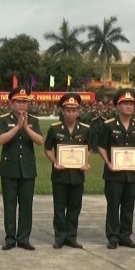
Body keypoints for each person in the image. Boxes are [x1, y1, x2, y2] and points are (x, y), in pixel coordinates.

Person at [0, 87, 44, 250]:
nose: (22, 105)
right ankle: (10, 238)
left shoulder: (34, 120)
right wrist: (17, 127)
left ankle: (23, 238)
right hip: (9, 168)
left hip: (27, 169)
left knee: (26, 205)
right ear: (12, 103)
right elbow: (1, 140)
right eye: (18, 102)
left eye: (25, 102)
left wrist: (26, 127)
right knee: (9, 205)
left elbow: (39, 141)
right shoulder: (4, 119)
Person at [97, 89, 135, 249]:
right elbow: (101, 147)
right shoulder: (108, 125)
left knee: (128, 206)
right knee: (113, 206)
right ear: (118, 106)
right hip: (114, 174)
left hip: (132, 174)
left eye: (131, 103)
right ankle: (113, 237)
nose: (128, 106)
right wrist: (108, 162)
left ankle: (125, 236)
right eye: (125, 103)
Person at [43, 93, 91, 249]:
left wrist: (85, 162)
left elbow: (88, 148)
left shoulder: (85, 129)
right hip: (60, 174)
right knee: (59, 207)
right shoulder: (54, 128)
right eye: (68, 110)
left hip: (77, 175)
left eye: (74, 110)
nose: (71, 113)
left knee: (74, 207)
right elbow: (47, 149)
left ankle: (71, 236)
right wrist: (55, 161)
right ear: (63, 111)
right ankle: (60, 237)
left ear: (78, 111)